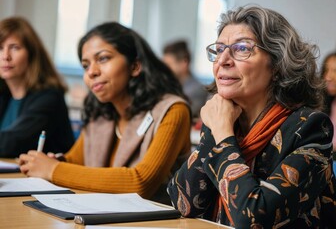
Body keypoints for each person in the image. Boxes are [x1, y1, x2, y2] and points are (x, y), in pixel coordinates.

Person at [167, 5, 336, 228]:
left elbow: (254, 220)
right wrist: (217, 129)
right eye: (219, 49)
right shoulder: (224, 117)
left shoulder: (310, 127)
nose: (223, 60)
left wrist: (222, 135)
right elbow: (184, 203)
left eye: (241, 48)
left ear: (277, 64)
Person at [18, 22, 192, 205]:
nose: (91, 72)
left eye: (103, 59)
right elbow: (74, 160)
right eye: (85, 65)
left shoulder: (173, 111)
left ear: (135, 66)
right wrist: (51, 162)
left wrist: (53, 169)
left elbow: (140, 183)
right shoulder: (100, 113)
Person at [0, 17, 74, 158]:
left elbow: (12, 143)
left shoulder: (50, 97)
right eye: (0, 48)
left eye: (15, 48)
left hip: (43, 179)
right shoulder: (4, 94)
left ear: (32, 54)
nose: (5, 56)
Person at [163, 40, 208, 119]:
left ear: (184, 62)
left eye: (169, 64)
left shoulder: (196, 90)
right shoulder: (172, 86)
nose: (165, 69)